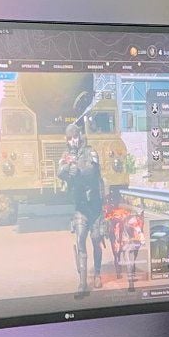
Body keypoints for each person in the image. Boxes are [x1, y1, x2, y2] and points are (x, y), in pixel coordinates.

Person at [56, 124, 106, 297]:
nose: (73, 140)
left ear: (80, 136)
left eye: (75, 136)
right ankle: (83, 283)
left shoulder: (90, 151)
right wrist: (67, 170)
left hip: (95, 205)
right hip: (80, 207)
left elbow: (92, 171)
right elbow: (59, 170)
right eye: (69, 138)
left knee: (96, 238)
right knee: (80, 240)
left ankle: (97, 273)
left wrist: (78, 171)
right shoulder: (66, 155)